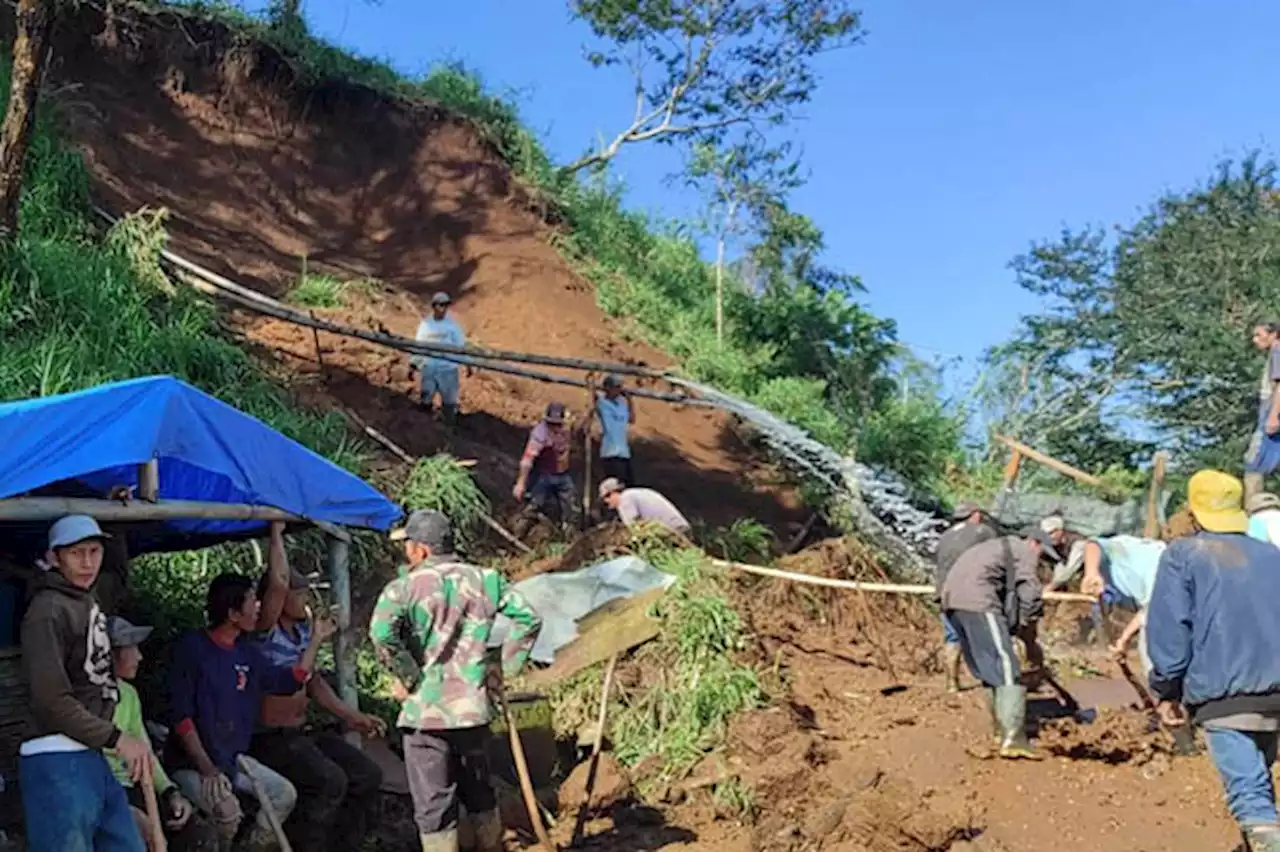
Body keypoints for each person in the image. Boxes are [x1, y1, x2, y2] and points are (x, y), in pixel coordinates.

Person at [370, 510, 543, 852]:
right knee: (480, 793)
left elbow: (381, 634)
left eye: (408, 545)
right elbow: (529, 618)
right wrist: (502, 667)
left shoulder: (403, 589)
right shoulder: (487, 580)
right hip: (473, 710)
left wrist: (409, 675)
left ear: (420, 550)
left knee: (434, 806)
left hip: (426, 715)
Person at [1147, 470, 1280, 852]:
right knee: (1259, 785)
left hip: (1224, 694)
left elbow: (1171, 630)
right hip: (1275, 692)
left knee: (1251, 800)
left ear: (1193, 509)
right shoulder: (1272, 554)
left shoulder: (1184, 554)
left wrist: (1165, 689)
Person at [168, 566, 329, 849]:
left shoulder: (247, 653)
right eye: (252, 601)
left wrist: (316, 640)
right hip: (192, 764)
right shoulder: (192, 650)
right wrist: (207, 768)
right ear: (232, 614)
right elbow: (181, 718)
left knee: (283, 794)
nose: (259, 607)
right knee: (227, 813)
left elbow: (291, 680)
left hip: (233, 761)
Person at [20, 514, 150, 852]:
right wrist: (116, 737)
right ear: (55, 556)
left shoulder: (86, 598)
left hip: (91, 753)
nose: (88, 562)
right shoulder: (47, 610)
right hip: (56, 758)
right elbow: (50, 701)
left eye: (94, 551)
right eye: (77, 553)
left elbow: (118, 575)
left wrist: (118, 510)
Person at [250, 565, 385, 852]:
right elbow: (276, 584)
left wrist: (355, 717)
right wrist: (276, 532)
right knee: (329, 781)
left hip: (301, 734)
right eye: (299, 593)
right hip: (270, 738)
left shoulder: (301, 633)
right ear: (280, 600)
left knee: (367, 775)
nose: (306, 599)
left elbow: (315, 684)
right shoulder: (263, 633)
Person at [941, 528, 1060, 760]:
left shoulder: (994, 547)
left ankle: (999, 732)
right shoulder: (1023, 551)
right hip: (979, 602)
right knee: (1006, 666)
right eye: (1042, 557)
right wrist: (1028, 627)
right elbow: (1031, 593)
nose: (1041, 563)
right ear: (1034, 543)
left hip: (952, 602)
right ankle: (1013, 739)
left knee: (989, 670)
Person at [105, 616, 220, 852]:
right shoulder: (87, 701)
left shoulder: (129, 695)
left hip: (135, 789)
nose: (139, 656)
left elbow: (146, 753)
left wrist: (170, 792)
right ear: (110, 655)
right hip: (106, 794)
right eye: (132, 649)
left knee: (198, 834)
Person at [1078, 534, 1167, 676]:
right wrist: (1091, 573)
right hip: (1130, 593)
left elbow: (1148, 612)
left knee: (1151, 651)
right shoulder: (1124, 549)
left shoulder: (1160, 575)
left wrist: (1123, 640)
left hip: (1152, 610)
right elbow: (1093, 544)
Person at [932, 502, 998, 693]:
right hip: (971, 594)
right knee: (985, 635)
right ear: (975, 515)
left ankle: (952, 683)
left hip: (945, 593)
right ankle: (991, 679)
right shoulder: (983, 532)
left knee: (952, 637)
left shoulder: (945, 536)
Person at [512, 402, 576, 533]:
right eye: (552, 424)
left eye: (558, 424)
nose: (555, 427)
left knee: (571, 506)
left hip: (562, 474)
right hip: (543, 474)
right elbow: (527, 460)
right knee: (534, 504)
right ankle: (519, 531)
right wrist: (521, 483)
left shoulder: (566, 430)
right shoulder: (540, 433)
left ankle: (569, 533)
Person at [413, 291, 471, 428]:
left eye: (446, 305)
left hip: (448, 369)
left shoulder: (452, 326)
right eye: (440, 305)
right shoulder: (426, 325)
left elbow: (460, 346)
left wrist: (467, 363)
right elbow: (419, 346)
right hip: (429, 368)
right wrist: (413, 364)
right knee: (426, 398)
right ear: (434, 306)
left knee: (449, 402)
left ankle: (449, 429)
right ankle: (424, 427)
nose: (443, 309)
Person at [1245, 322, 1280, 502]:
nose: (1255, 340)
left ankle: (1255, 515)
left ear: (1273, 334)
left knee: (1254, 466)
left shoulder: (1277, 351)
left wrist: (1273, 416)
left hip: (1272, 413)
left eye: (1259, 335)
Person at [598, 478, 690, 536]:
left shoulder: (625, 500)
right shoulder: (638, 492)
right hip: (680, 526)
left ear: (613, 493)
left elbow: (634, 529)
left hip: (671, 531)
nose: (606, 502)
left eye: (606, 497)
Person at [595, 374, 635, 486]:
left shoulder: (622, 404)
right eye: (615, 387)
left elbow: (631, 419)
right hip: (610, 452)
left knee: (628, 485)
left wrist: (630, 401)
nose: (618, 390)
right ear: (607, 388)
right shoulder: (602, 403)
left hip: (624, 452)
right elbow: (594, 400)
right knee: (616, 486)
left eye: (619, 387)